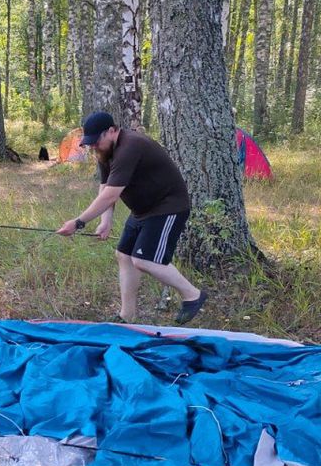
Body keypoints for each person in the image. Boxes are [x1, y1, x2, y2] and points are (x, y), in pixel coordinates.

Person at [56, 111, 208, 325]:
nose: (93, 146)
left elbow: (111, 194)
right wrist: (105, 221)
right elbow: (105, 187)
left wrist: (79, 222)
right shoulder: (105, 150)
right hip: (142, 210)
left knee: (143, 260)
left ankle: (192, 295)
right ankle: (127, 316)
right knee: (124, 255)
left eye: (96, 141)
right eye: (89, 143)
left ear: (111, 130)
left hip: (168, 207)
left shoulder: (131, 146)